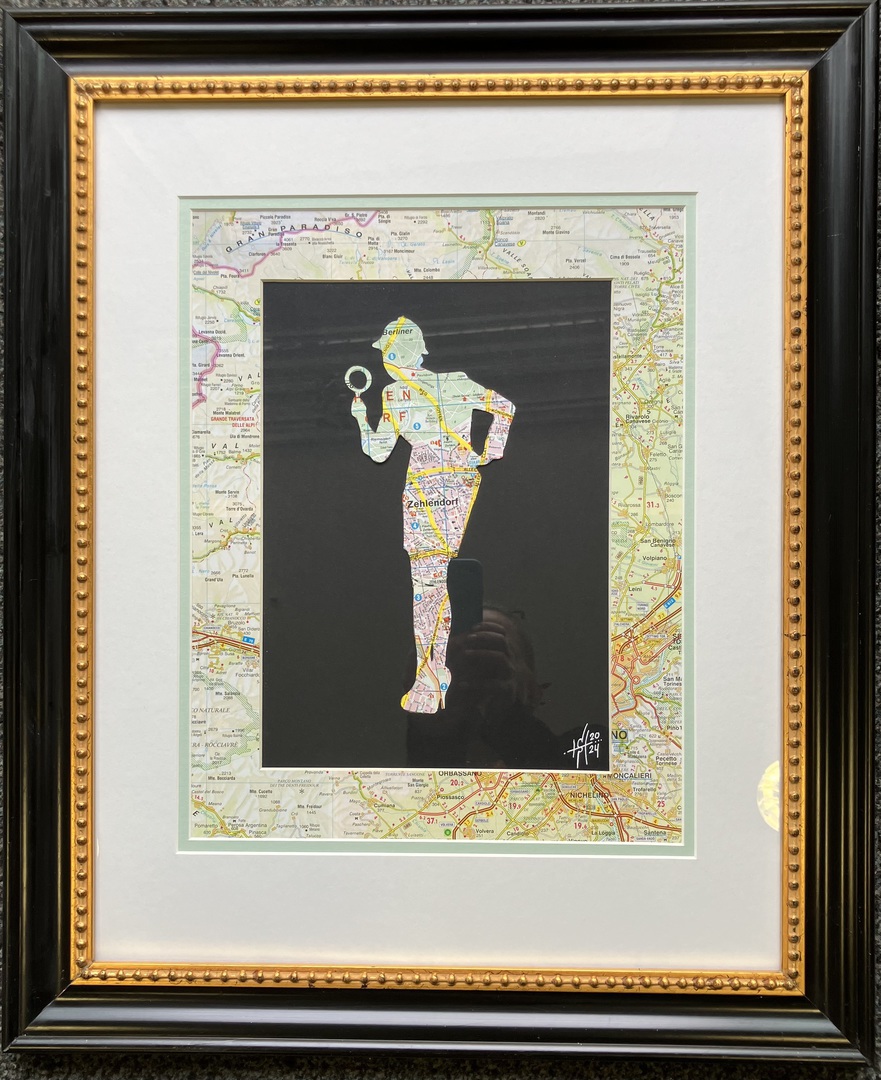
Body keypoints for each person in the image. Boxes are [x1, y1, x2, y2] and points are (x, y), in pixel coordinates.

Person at [348, 316, 515, 714]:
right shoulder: (420, 389)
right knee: (429, 585)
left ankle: (432, 674)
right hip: (438, 483)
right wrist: (488, 452)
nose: (386, 361)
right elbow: (380, 451)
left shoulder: (417, 390)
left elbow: (378, 451)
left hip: (437, 484)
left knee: (430, 586)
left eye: (388, 353)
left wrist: (491, 451)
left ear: (396, 355)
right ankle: (434, 671)